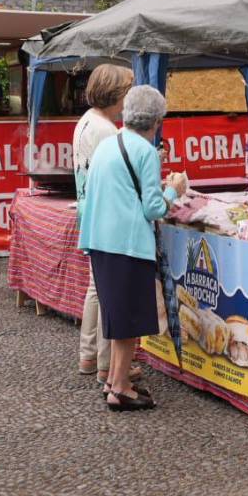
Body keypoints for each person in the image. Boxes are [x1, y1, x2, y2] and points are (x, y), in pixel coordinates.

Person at [77, 86, 186, 411]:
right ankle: (121, 388)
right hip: (127, 244)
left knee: (116, 316)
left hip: (99, 241)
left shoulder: (108, 145)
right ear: (156, 120)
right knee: (128, 322)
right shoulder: (146, 152)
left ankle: (114, 378)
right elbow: (153, 208)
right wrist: (174, 190)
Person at [71, 63, 137, 386]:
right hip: (107, 216)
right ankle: (106, 363)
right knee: (107, 290)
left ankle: (89, 355)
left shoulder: (86, 121)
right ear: (116, 93)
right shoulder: (107, 131)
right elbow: (119, 178)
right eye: (126, 92)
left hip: (89, 211)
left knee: (96, 287)